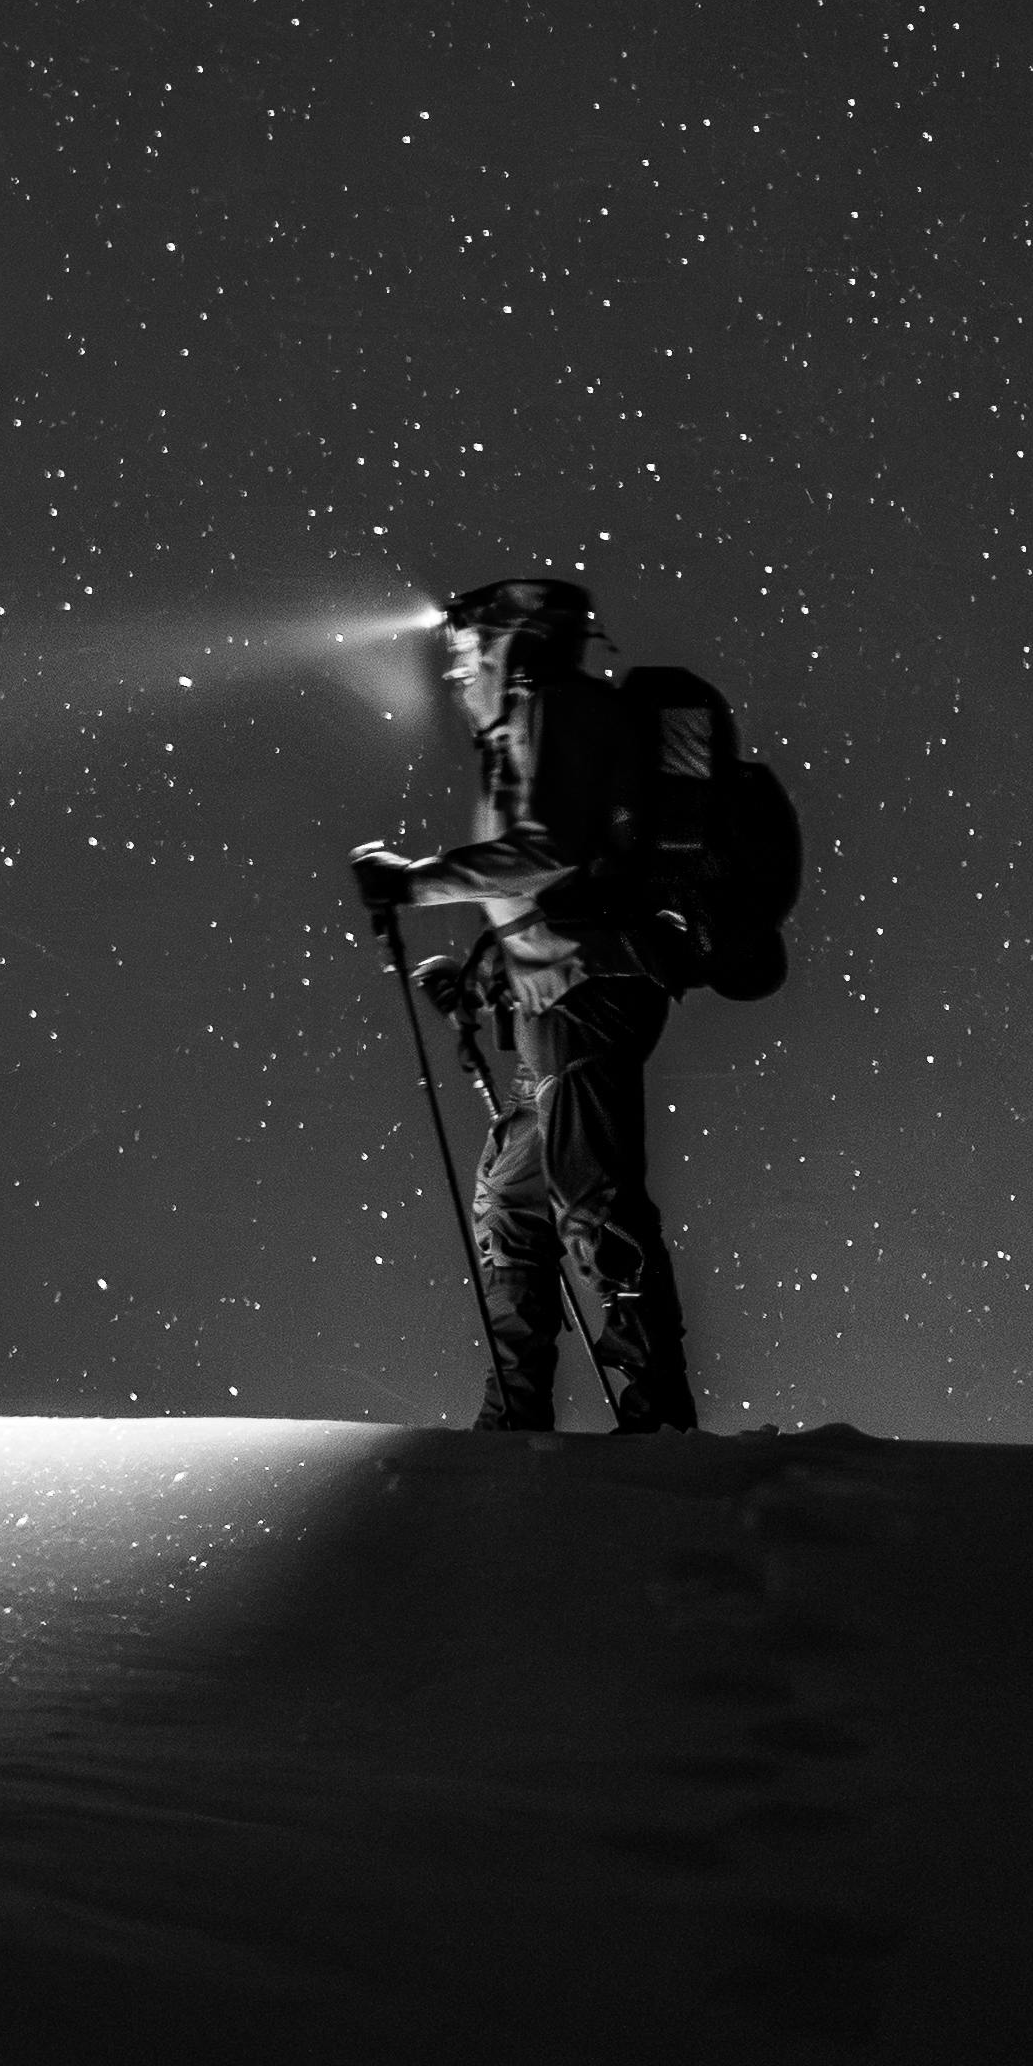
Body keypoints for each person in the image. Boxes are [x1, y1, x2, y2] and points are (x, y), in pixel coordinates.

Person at [354, 575, 701, 1434]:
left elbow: (549, 853)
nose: (456, 668)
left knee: (592, 1197)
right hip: (566, 999)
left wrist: (414, 882)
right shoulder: (537, 719)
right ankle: (514, 1417)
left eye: (470, 647)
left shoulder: (557, 708)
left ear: (514, 641)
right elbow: (553, 887)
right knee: (512, 1197)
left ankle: (658, 1422)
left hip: (588, 997)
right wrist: (477, 977)